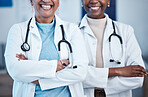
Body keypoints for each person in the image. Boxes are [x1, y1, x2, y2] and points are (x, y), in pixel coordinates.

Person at [4, 0, 88, 97]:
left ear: (58, 2)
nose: (46, 0)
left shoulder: (72, 30)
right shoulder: (18, 30)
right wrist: (57, 65)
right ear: (31, 1)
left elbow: (80, 72)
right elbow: (15, 70)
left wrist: (38, 78)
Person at [80, 0, 147, 97]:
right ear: (82, 1)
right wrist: (119, 71)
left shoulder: (125, 31)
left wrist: (95, 85)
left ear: (108, 1)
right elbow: (71, 74)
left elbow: (138, 78)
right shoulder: (71, 32)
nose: (94, 1)